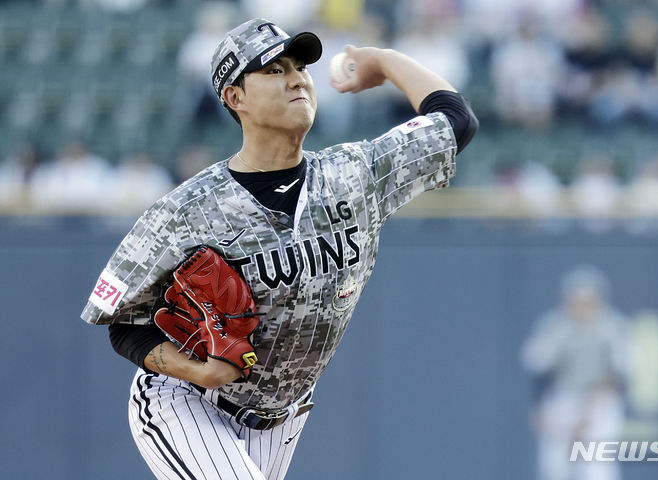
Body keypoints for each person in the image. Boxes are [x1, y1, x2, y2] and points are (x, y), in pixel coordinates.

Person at [80, 17, 478, 480]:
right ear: (235, 97)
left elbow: (455, 121)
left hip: (283, 420)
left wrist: (385, 62)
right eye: (272, 70)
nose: (296, 77)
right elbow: (122, 324)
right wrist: (199, 372)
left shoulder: (355, 175)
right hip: (185, 402)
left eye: (299, 66)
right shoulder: (187, 209)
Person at [522, 266, 628, 480]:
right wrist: (540, 408)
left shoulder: (613, 326)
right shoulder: (555, 326)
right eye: (576, 301)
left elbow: (622, 373)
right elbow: (537, 367)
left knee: (597, 467)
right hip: (564, 398)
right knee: (555, 466)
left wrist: (591, 411)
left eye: (588, 302)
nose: (582, 308)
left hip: (601, 402)